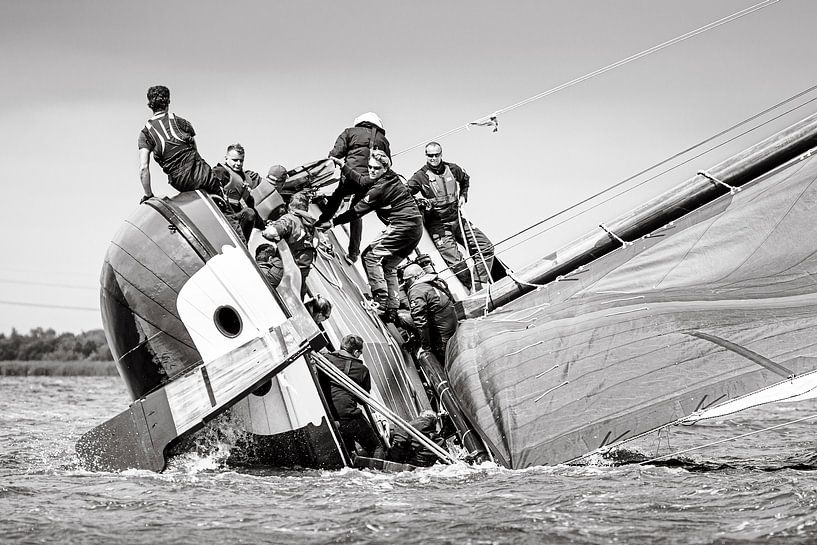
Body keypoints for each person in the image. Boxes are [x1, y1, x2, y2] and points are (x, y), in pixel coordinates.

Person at [327, 150, 423, 322]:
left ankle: (380, 301)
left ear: (385, 168)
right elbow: (363, 180)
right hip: (415, 230)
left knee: (369, 256)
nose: (371, 170)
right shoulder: (390, 177)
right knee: (388, 266)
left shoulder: (380, 189)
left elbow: (357, 212)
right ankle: (392, 309)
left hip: (402, 228)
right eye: (369, 166)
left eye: (376, 168)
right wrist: (344, 166)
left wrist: (333, 222)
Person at [407, 142, 495, 292]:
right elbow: (405, 192)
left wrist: (463, 196)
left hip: (458, 218)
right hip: (439, 225)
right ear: (426, 156)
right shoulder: (420, 176)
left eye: (436, 155)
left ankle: (480, 283)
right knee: (457, 263)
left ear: (441, 154)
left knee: (486, 248)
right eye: (430, 155)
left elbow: (465, 180)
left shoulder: (453, 169)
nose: (433, 158)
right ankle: (473, 289)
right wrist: (419, 203)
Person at [319, 113, 391, 263]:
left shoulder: (350, 132)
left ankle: (320, 225)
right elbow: (387, 163)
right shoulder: (383, 140)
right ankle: (353, 254)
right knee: (356, 212)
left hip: (350, 176)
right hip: (370, 181)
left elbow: (335, 154)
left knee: (336, 197)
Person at [137, 85, 222, 202]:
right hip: (201, 173)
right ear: (168, 101)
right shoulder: (181, 122)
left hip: (180, 182)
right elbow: (195, 150)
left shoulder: (145, 133)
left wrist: (148, 195)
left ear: (150, 104)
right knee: (223, 207)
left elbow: (143, 168)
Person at [324, 334, 380, 458]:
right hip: (349, 416)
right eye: (360, 352)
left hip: (329, 416)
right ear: (355, 352)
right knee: (376, 447)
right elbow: (363, 398)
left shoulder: (324, 360)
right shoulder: (361, 369)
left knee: (349, 452)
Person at [262, 190, 317, 297]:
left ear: (290, 206)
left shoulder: (290, 219)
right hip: (299, 282)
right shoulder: (313, 228)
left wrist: (271, 228)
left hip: (282, 272)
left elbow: (269, 233)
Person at [403, 263, 458, 363]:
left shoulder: (416, 291)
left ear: (415, 278)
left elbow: (421, 321)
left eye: (407, 280)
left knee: (445, 360)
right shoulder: (435, 281)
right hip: (453, 325)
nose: (405, 283)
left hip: (442, 336)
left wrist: (425, 347)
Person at [213, 143, 264, 241]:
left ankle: (243, 245)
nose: (238, 163)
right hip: (223, 217)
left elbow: (250, 206)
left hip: (237, 218)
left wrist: (263, 227)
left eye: (241, 160)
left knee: (250, 213)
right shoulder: (220, 172)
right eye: (235, 160)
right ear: (226, 158)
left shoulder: (246, 179)